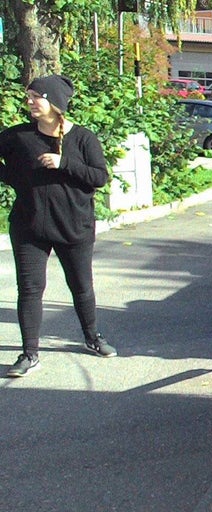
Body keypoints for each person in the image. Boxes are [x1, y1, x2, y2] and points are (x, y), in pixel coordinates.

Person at [0, 74, 116, 378]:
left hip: (73, 226)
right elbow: (9, 167)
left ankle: (92, 337)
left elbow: (99, 177)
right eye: (28, 97)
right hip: (29, 226)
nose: (29, 102)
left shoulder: (82, 138)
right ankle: (29, 354)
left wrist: (63, 163)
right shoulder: (17, 137)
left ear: (53, 101)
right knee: (29, 289)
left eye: (35, 97)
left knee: (81, 286)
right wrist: (11, 175)